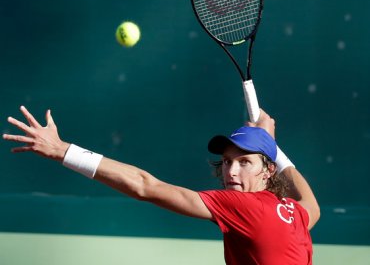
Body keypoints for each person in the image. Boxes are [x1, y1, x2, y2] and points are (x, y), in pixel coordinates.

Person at [3, 105, 320, 265]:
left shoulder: (242, 207)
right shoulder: (292, 213)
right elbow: (311, 204)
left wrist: (62, 151)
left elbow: (144, 186)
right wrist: (273, 150)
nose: (231, 172)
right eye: (226, 161)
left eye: (244, 162)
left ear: (266, 173)